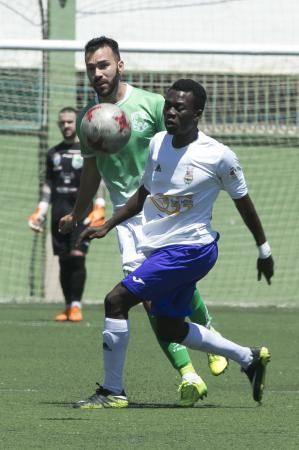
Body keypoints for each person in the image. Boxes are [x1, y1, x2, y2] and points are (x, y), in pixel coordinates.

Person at [67, 78, 274, 409]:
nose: (171, 111)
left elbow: (244, 203)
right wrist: (107, 224)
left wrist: (264, 249)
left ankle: (112, 391)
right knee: (170, 328)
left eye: (180, 107)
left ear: (198, 114)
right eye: (168, 105)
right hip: (165, 249)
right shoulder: (158, 143)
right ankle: (247, 357)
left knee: (116, 301)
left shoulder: (219, 156)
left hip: (192, 249)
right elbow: (144, 194)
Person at [59, 36, 227, 407]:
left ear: (120, 65)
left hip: (163, 212)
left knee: (167, 288)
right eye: (90, 68)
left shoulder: (152, 105)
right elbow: (91, 171)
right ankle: (189, 374)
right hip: (126, 218)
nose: (97, 73)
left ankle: (210, 335)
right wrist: (78, 211)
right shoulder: (92, 119)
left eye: (103, 65)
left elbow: (186, 148)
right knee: (150, 297)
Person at [28, 106, 106, 322]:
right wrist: (41, 210)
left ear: (78, 124)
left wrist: (100, 205)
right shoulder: (53, 153)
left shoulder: (88, 151)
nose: (66, 126)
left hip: (82, 213)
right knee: (63, 259)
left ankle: (76, 305)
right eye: (62, 122)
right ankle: (67, 306)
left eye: (70, 122)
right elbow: (49, 184)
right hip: (59, 212)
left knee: (78, 256)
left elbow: (97, 179)